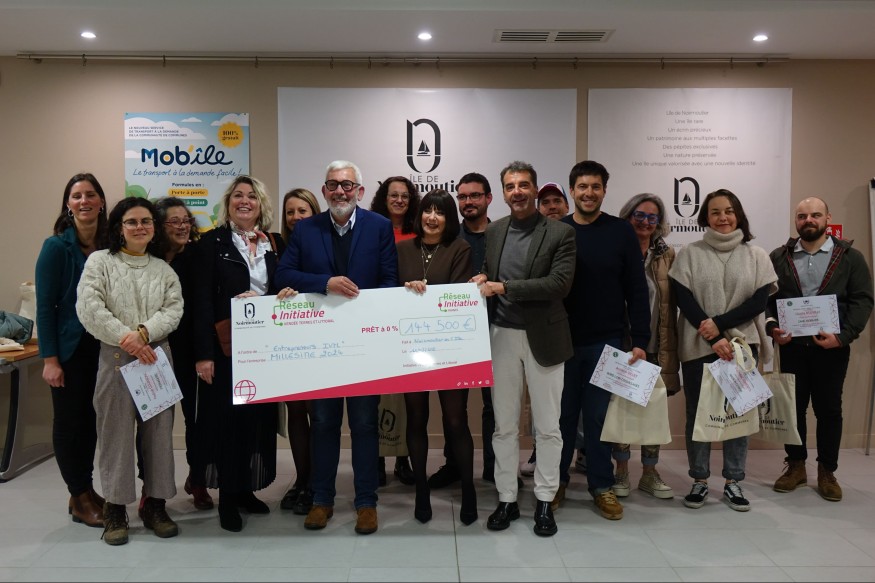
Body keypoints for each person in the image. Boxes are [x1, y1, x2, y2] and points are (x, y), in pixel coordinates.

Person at [275, 160, 398, 535]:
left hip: (364, 345)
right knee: (324, 423)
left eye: (347, 185)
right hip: (322, 347)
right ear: (324, 190)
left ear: (360, 191)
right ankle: (321, 500)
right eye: (333, 185)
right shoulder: (306, 229)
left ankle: (366, 503)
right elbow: (284, 274)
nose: (340, 191)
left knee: (364, 424)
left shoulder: (379, 227)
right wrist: (325, 282)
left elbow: (389, 280)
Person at [475, 161, 575, 537]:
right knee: (503, 426)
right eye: (510, 186)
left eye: (523, 185)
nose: (516, 192)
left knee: (548, 427)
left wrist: (503, 287)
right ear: (503, 193)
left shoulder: (561, 232)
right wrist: (484, 278)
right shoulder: (495, 230)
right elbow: (492, 271)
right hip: (502, 335)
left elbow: (559, 283)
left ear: (534, 190)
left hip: (545, 337)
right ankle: (507, 498)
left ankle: (545, 499)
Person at [76, 197, 183, 545]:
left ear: (154, 228)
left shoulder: (163, 270)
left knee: (158, 435)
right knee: (115, 435)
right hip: (115, 358)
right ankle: (115, 509)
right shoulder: (100, 263)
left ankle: (155, 505)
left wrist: (144, 334)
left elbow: (173, 309)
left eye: (146, 221)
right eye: (132, 221)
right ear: (119, 228)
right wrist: (128, 339)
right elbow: (90, 307)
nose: (140, 227)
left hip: (155, 359)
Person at [193, 176, 294, 532]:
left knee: (258, 420)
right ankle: (227, 498)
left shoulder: (275, 243)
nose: (245, 201)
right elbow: (202, 301)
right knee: (228, 423)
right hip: (226, 349)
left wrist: (277, 296)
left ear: (261, 204)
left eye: (252, 195)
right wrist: (203, 354)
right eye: (238, 195)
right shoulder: (212, 243)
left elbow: (285, 286)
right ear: (228, 203)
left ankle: (246, 489)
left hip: (265, 346)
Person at [669, 188, 777, 512]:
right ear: (705, 217)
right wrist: (712, 336)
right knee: (697, 414)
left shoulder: (757, 255)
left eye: (728, 211)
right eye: (715, 212)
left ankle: (733, 481)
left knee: (739, 413)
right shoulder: (689, 253)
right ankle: (699, 480)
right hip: (698, 344)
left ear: (738, 214)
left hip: (743, 346)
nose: (723, 217)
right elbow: (684, 299)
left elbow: (758, 302)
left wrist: (719, 325)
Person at [555, 160, 650, 521]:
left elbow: (636, 289)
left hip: (607, 342)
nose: (589, 193)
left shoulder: (621, 232)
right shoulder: (558, 231)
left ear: (604, 191)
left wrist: (640, 339)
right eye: (582, 186)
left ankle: (601, 485)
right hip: (561, 342)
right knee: (562, 417)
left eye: (595, 187)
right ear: (572, 191)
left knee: (597, 418)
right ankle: (556, 481)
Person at [766, 197, 873, 501]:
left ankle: (827, 470)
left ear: (828, 218)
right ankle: (796, 466)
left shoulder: (850, 257)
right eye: (802, 216)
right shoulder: (779, 257)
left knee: (829, 410)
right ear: (796, 221)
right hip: (792, 347)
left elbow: (863, 300)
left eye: (815, 215)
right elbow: (767, 300)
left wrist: (843, 336)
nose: (808, 220)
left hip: (832, 348)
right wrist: (772, 328)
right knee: (793, 408)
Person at [397, 188, 476, 525]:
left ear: (449, 218)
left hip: (450, 347)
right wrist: (404, 290)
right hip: (410, 347)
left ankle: (469, 490)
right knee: (416, 419)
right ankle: (421, 491)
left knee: (456, 420)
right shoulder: (402, 249)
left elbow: (456, 296)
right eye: (427, 211)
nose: (432, 217)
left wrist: (424, 294)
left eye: (440, 212)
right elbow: (388, 293)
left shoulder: (460, 248)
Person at [35, 172, 108, 528]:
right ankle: (78, 495)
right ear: (68, 204)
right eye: (77, 196)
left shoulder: (109, 245)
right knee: (69, 423)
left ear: (101, 202)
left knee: (91, 421)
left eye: (90, 195)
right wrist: (50, 360)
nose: (84, 201)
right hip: (68, 351)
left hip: (102, 348)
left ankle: (85, 489)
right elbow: (44, 307)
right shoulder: (56, 248)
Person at [429, 172, 499, 488]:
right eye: (462, 196)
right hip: (455, 334)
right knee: (453, 407)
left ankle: (495, 467)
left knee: (495, 405)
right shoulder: (449, 237)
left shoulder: (502, 234)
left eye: (474, 195)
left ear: (488, 198)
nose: (468, 202)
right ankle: (454, 464)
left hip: (497, 328)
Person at [611, 193, 680, 499]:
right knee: (622, 410)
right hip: (622, 344)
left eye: (652, 217)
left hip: (656, 344)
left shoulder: (668, 255)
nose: (645, 222)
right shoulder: (615, 249)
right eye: (639, 215)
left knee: (653, 412)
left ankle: (650, 473)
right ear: (627, 217)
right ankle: (621, 471)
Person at [153, 197, 212, 511]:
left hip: (189, 350)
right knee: (155, 423)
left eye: (186, 220)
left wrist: (203, 353)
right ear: (160, 226)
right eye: (173, 221)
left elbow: (202, 306)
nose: (182, 226)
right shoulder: (147, 258)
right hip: (152, 352)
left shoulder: (197, 256)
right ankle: (152, 489)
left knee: (196, 420)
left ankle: (198, 479)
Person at [370, 176, 420, 487]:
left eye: (404, 195)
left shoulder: (419, 231)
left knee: (405, 395)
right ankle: (376, 458)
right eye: (393, 195)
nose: (399, 200)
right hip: (377, 320)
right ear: (383, 198)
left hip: (409, 323)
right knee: (375, 394)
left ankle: (403, 458)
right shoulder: (372, 229)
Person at [520, 181, 572, 478]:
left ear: (567, 205)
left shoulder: (572, 235)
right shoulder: (532, 239)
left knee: (574, 402)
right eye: (546, 202)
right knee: (542, 402)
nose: (552, 207)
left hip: (578, 329)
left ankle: (578, 455)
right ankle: (539, 452)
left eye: (557, 201)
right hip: (542, 331)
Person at [278, 188, 321, 516]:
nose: (295, 217)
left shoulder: (322, 243)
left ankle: (317, 482)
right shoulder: (275, 246)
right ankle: (301, 479)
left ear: (314, 212)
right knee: (295, 412)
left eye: (302, 211)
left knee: (317, 413)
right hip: (287, 339)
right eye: (290, 212)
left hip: (319, 337)